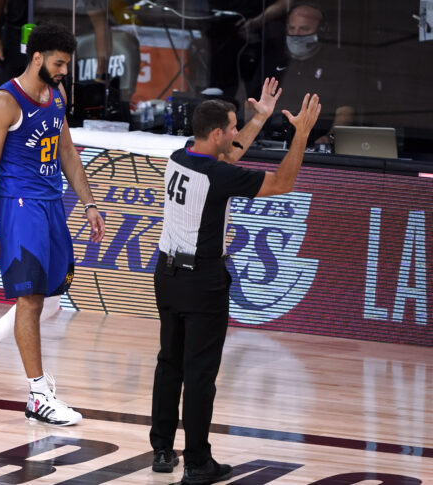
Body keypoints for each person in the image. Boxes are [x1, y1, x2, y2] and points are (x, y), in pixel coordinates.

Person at [149, 87, 320, 484]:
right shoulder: (218, 174)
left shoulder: (181, 156)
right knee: (200, 373)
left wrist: (259, 118)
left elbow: (229, 156)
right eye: (232, 128)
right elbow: (283, 182)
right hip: (201, 281)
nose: (236, 132)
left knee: (168, 362)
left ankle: (161, 449)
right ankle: (196, 463)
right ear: (215, 135)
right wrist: (302, 133)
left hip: (166, 275)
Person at [0, 23, 106, 426]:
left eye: (66, 65)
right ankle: (37, 394)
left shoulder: (57, 95)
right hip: (20, 208)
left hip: (52, 204)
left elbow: (68, 151)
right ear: (37, 57)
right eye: (58, 63)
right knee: (32, 300)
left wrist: (88, 203)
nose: (63, 71)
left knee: (52, 301)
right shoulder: (4, 102)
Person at [271, 1, 354, 144]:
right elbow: (252, 104)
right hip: (272, 143)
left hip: (315, 145)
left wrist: (330, 138)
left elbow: (345, 110)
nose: (296, 34)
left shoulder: (337, 65)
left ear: (322, 30)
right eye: (292, 28)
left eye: (304, 29)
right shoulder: (276, 60)